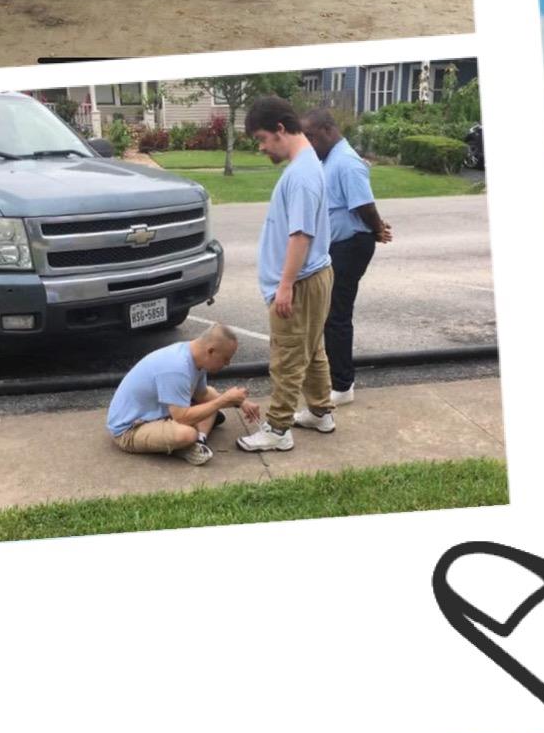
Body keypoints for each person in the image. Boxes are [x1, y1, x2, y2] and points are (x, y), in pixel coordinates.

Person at [236, 96, 334, 452]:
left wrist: (285, 285)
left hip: (302, 280)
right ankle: (321, 412)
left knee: (288, 356)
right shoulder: (305, 166)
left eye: (262, 138)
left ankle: (278, 430)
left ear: (281, 129)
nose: (261, 147)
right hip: (312, 276)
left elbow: (301, 235)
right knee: (312, 350)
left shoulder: (303, 174)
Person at [302, 109, 392, 406]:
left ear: (328, 130)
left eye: (312, 136)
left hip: (351, 246)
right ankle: (337, 379)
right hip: (341, 244)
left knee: (336, 316)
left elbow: (365, 205)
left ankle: (342, 387)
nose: (309, 143)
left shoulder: (346, 162)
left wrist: (377, 228)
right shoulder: (331, 159)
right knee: (330, 314)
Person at [106, 324, 247, 465]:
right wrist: (223, 401)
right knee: (187, 434)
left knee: (211, 397)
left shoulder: (195, 357)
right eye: (226, 358)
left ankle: (200, 440)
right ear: (211, 351)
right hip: (129, 430)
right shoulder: (177, 367)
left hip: (159, 413)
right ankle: (188, 443)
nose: (228, 364)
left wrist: (241, 403)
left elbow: (202, 394)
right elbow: (181, 417)